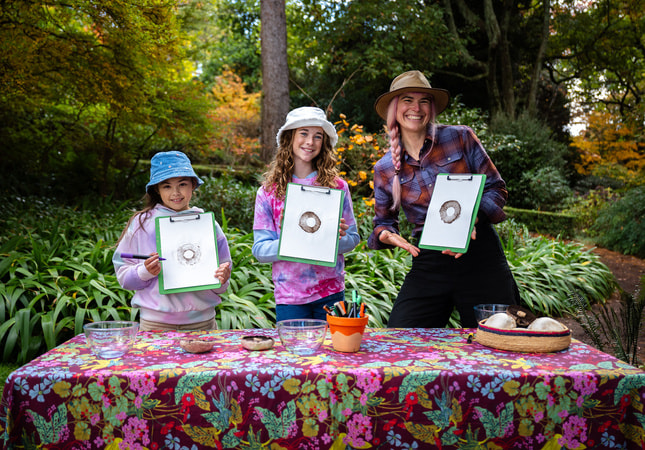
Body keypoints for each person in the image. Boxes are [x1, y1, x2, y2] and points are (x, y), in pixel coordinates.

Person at [368, 70, 520, 328]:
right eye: (407, 100)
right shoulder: (384, 168)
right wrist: (385, 234)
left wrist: (471, 219)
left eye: (424, 101)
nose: (416, 108)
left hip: (479, 252)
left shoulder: (460, 137)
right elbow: (383, 222)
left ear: (431, 107)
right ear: (394, 109)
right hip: (429, 260)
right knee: (403, 336)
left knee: (498, 336)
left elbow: (496, 189)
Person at [252, 106, 360, 322]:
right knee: (293, 346)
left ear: (324, 142)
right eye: (303, 133)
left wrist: (332, 237)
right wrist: (293, 239)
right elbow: (260, 250)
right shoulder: (269, 192)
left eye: (317, 136)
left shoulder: (337, 187)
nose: (310, 142)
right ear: (289, 138)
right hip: (290, 297)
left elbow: (353, 239)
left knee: (332, 345)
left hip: (331, 292)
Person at [113, 150, 232, 331]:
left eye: (182, 184)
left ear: (193, 184)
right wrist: (145, 271)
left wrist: (222, 278)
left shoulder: (208, 224)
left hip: (202, 323)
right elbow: (123, 276)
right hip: (155, 324)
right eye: (167, 186)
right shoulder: (142, 224)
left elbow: (222, 277)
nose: (175, 192)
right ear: (157, 189)